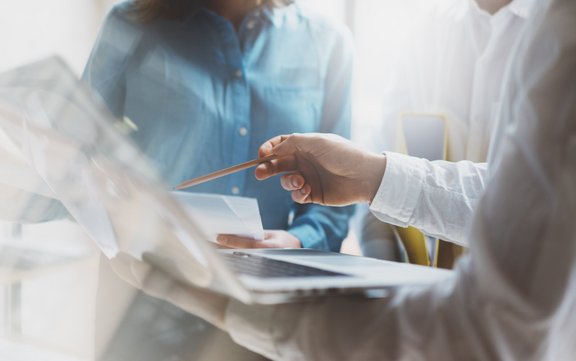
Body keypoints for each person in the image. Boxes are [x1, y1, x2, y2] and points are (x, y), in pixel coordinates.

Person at [110, 0, 576, 358]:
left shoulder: (559, 32)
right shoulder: (131, 24)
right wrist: (375, 176)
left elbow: (492, 329)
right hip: (151, 290)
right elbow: (514, 197)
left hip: (285, 309)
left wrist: (238, 303)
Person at [83, 0, 354, 252]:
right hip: (142, 275)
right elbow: (76, 153)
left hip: (268, 289)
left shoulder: (328, 42)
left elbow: (335, 192)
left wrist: (299, 241)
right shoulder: (129, 23)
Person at [360, 0, 536, 261]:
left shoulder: (559, 34)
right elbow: (384, 153)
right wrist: (383, 269)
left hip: (530, 291)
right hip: (430, 289)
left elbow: (534, 196)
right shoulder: (425, 31)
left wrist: (373, 177)